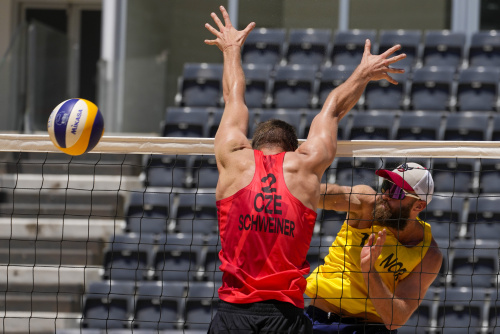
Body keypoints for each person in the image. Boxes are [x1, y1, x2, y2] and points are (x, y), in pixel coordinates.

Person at [204, 5, 407, 333]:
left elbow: (233, 97)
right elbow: (333, 111)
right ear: (293, 150)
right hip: (285, 319)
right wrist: (363, 73)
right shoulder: (305, 168)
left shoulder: (235, 159)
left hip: (233, 316)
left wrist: (231, 49)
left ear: (256, 147)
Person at [305, 162, 443, 333]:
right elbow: (334, 195)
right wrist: (293, 187)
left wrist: (369, 271)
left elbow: (396, 319)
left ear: (419, 206)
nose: (385, 195)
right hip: (321, 319)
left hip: (371, 329)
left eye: (397, 192)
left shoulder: (429, 254)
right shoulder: (367, 204)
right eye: (386, 186)